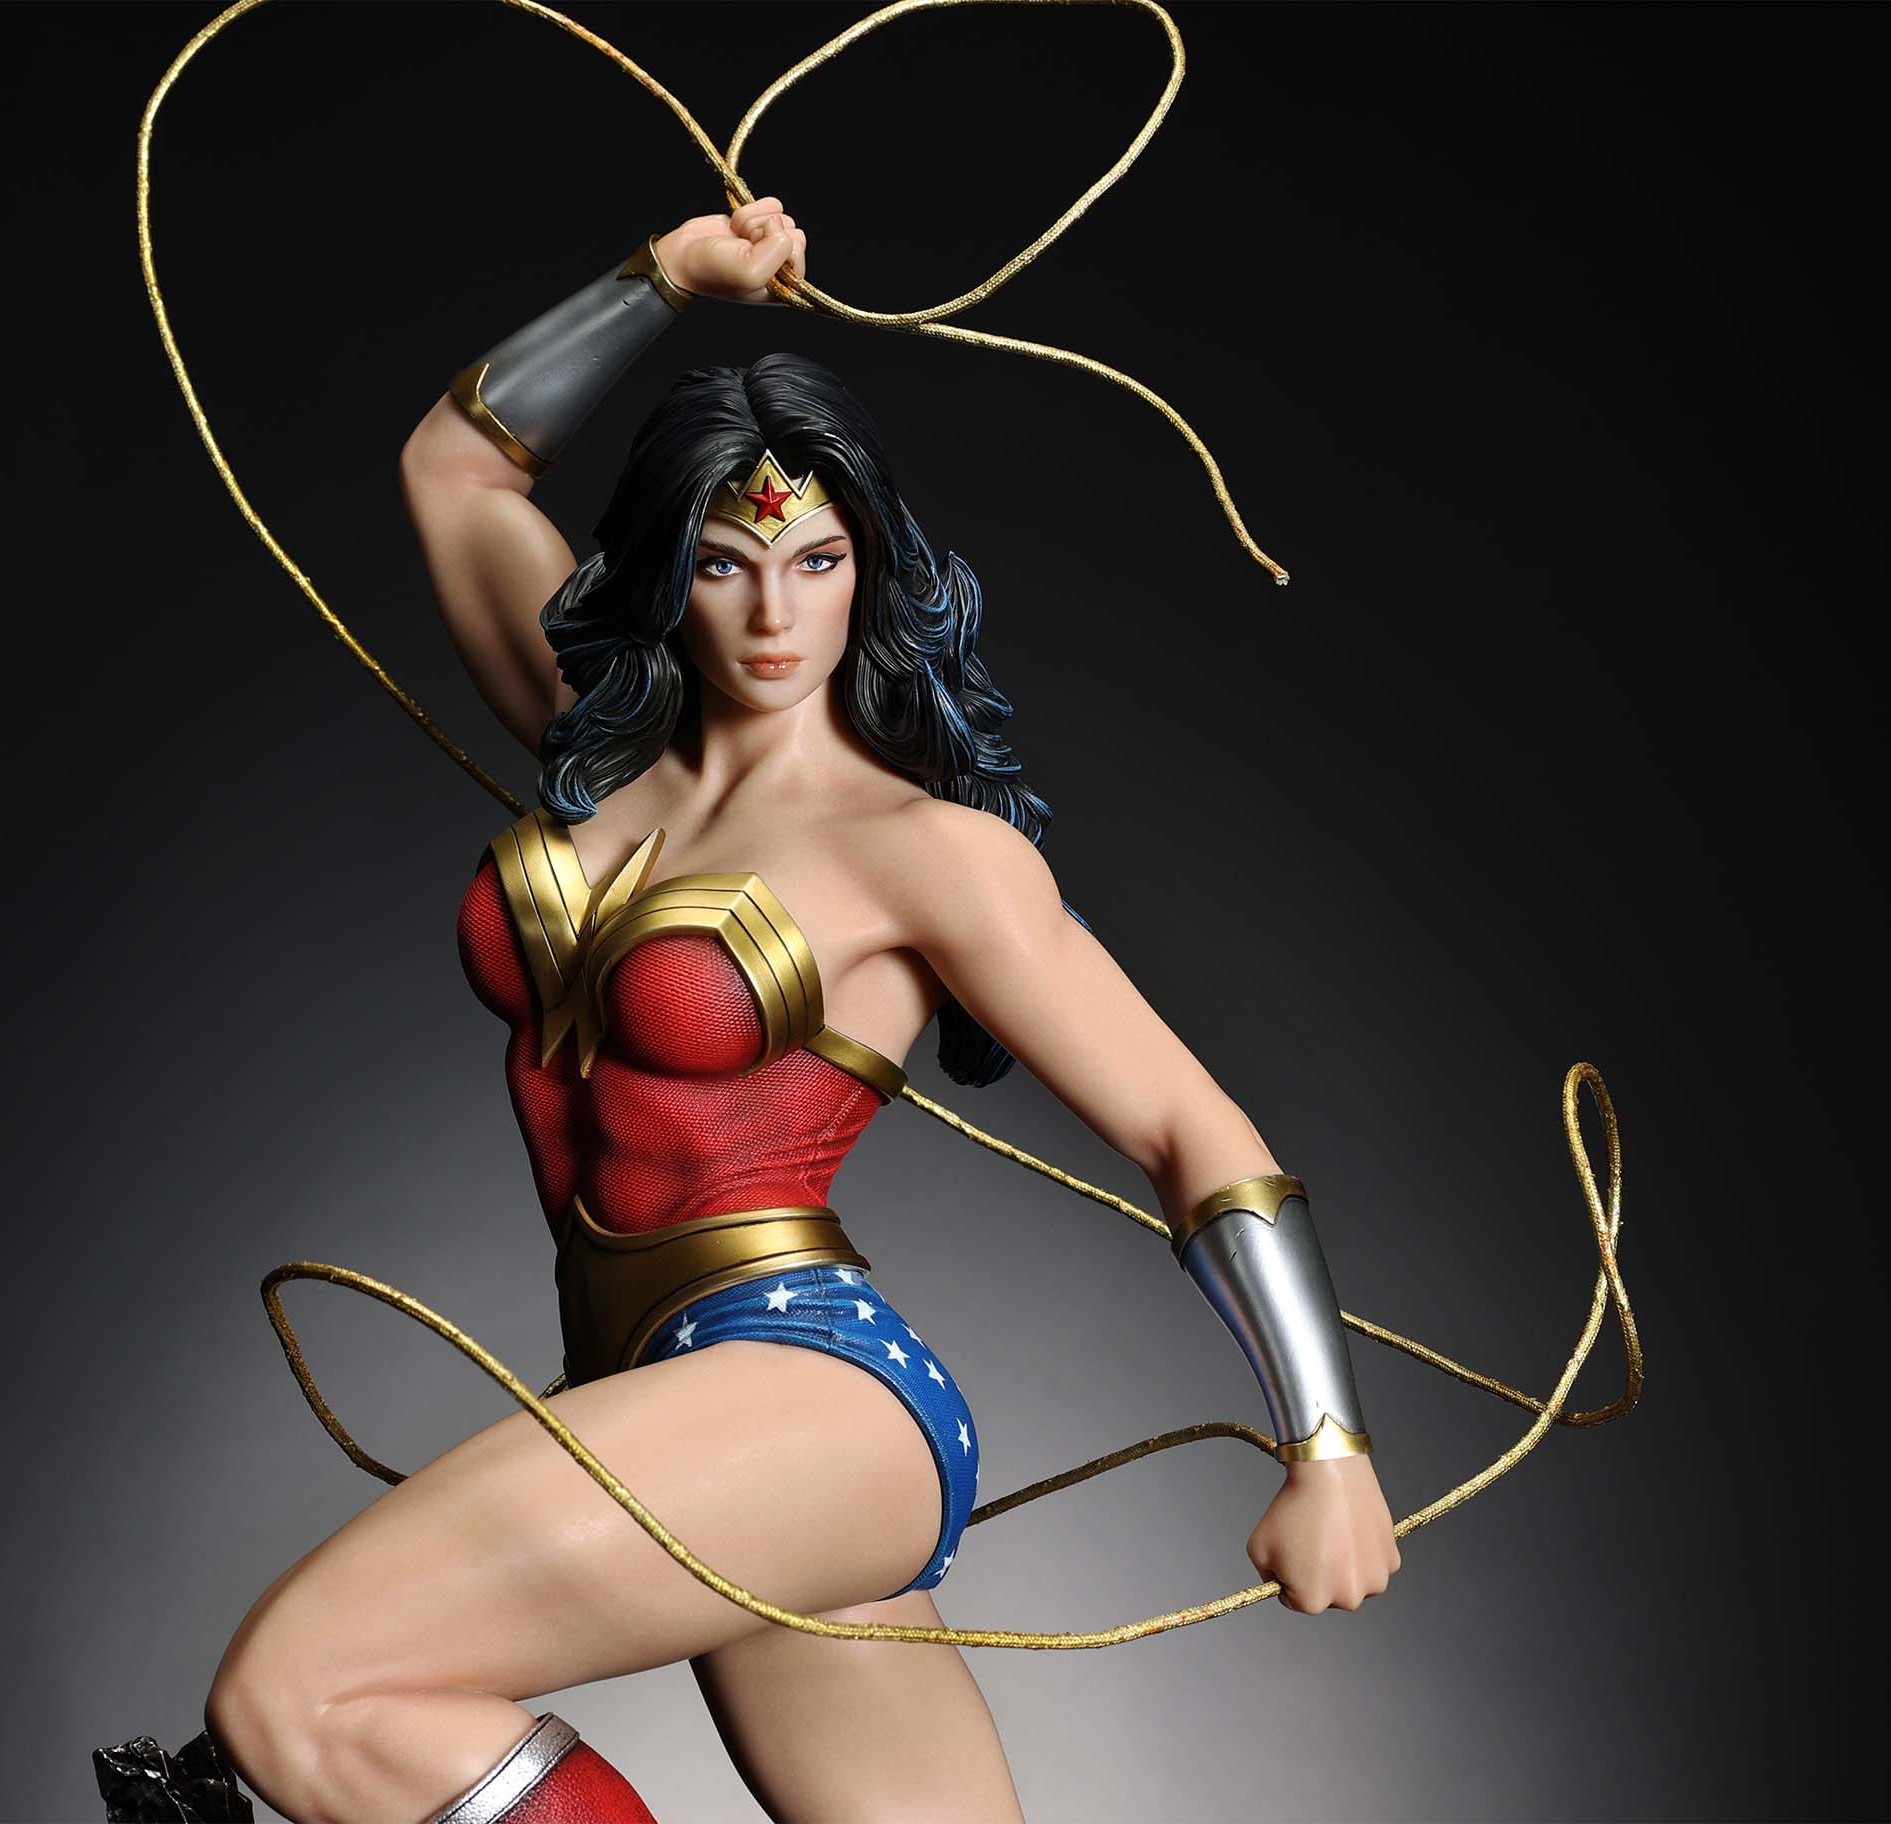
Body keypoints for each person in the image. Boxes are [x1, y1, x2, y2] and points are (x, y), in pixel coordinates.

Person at [102, 197, 1399, 1824]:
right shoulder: (595, 739)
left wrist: (1328, 1447)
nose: (775, 616)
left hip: (809, 1391)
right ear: (669, 572)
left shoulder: (927, 853)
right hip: (645, 1385)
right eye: (725, 565)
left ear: (872, 569)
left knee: (305, 1694)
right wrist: (669, 276)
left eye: (817, 563)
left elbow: (1191, 1131)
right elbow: (456, 463)